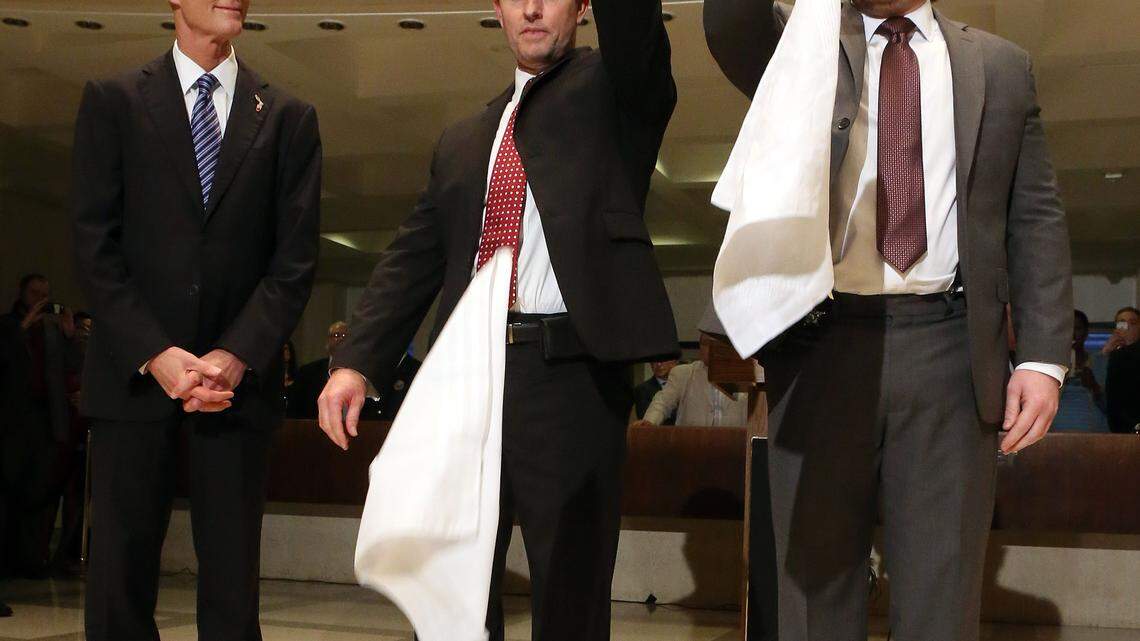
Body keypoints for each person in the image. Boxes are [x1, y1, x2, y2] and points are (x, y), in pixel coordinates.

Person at [703, 1, 1072, 640]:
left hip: (950, 351)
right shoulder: (801, 40)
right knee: (815, 590)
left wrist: (1042, 358)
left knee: (942, 593)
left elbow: (1033, 215)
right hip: (820, 342)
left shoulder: (1001, 66)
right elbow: (729, 21)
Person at [317, 0, 678, 638]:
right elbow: (415, 256)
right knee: (456, 586)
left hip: (569, 377)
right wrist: (354, 362)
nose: (533, 7)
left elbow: (637, 35)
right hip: (466, 381)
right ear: (496, 10)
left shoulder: (617, 93)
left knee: (568, 594)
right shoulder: (465, 138)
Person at [71, 0, 321, 636]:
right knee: (118, 583)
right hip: (133, 380)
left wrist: (234, 356)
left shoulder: (289, 116)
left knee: (233, 588)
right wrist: (156, 354)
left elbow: (293, 263)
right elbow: (94, 247)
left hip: (234, 389)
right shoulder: (114, 101)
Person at [0, 274, 79, 579]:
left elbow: (71, 368)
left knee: (40, 488)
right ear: (22, 294)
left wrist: (70, 335)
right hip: (14, 419)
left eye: (45, 294)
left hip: (47, 418)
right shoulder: (8, 325)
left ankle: (31, 558)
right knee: (10, 488)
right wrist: (23, 327)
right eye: (35, 293)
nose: (41, 300)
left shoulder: (52, 329)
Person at [636, 337, 747, 427]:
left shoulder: (744, 375)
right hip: (692, 446)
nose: (708, 349)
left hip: (734, 446)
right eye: (704, 344)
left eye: (713, 344)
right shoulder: (684, 374)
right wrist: (649, 422)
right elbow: (662, 403)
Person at [1053, 310, 1108, 432]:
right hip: (1053, 434)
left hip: (1096, 433)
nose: (1072, 334)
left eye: (1077, 328)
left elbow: (1114, 409)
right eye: (1067, 329)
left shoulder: (1100, 362)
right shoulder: (1049, 367)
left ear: (1086, 332)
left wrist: (1094, 387)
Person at [287, 321, 348, 419]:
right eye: (336, 335)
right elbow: (295, 409)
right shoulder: (308, 372)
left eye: (345, 336)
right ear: (328, 341)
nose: (341, 339)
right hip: (314, 429)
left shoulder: (362, 372)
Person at [1105, 307, 1140, 434]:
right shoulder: (1108, 356)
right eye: (1122, 323)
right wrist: (1105, 354)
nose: (1128, 327)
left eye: (1133, 323)